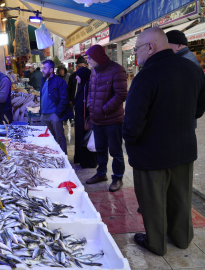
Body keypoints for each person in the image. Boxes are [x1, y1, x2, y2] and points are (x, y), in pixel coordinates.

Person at [123, 27, 205, 256]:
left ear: (151, 46)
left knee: (153, 202)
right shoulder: (193, 69)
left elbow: (132, 123)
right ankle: (182, 238)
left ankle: (156, 243)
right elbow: (199, 109)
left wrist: (130, 141)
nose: (135, 56)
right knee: (181, 197)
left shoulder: (146, 76)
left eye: (137, 49)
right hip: (184, 149)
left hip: (151, 154)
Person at [85, 44, 127, 192]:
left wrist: (104, 109)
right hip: (97, 120)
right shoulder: (94, 72)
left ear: (97, 57)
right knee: (100, 149)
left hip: (112, 120)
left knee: (115, 151)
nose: (88, 61)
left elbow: (121, 94)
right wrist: (91, 106)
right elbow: (90, 91)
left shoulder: (117, 69)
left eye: (90, 58)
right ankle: (101, 174)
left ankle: (117, 178)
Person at [166, 30, 200, 129]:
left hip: (183, 117)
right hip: (187, 114)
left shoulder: (184, 61)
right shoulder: (186, 57)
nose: (165, 48)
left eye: (168, 44)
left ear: (179, 45)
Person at [40, 60, 73, 154]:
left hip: (54, 115)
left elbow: (64, 99)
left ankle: (63, 159)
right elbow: (43, 96)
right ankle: (53, 159)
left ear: (51, 70)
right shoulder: (43, 80)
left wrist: (57, 114)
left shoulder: (60, 82)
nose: (42, 70)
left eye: (44, 68)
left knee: (59, 138)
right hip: (44, 115)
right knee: (48, 140)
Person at [73, 67, 97, 168]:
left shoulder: (87, 86)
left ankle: (87, 161)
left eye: (78, 76)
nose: (77, 78)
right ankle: (80, 158)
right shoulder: (81, 86)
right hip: (79, 118)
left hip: (85, 119)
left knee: (86, 139)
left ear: (83, 75)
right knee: (80, 139)